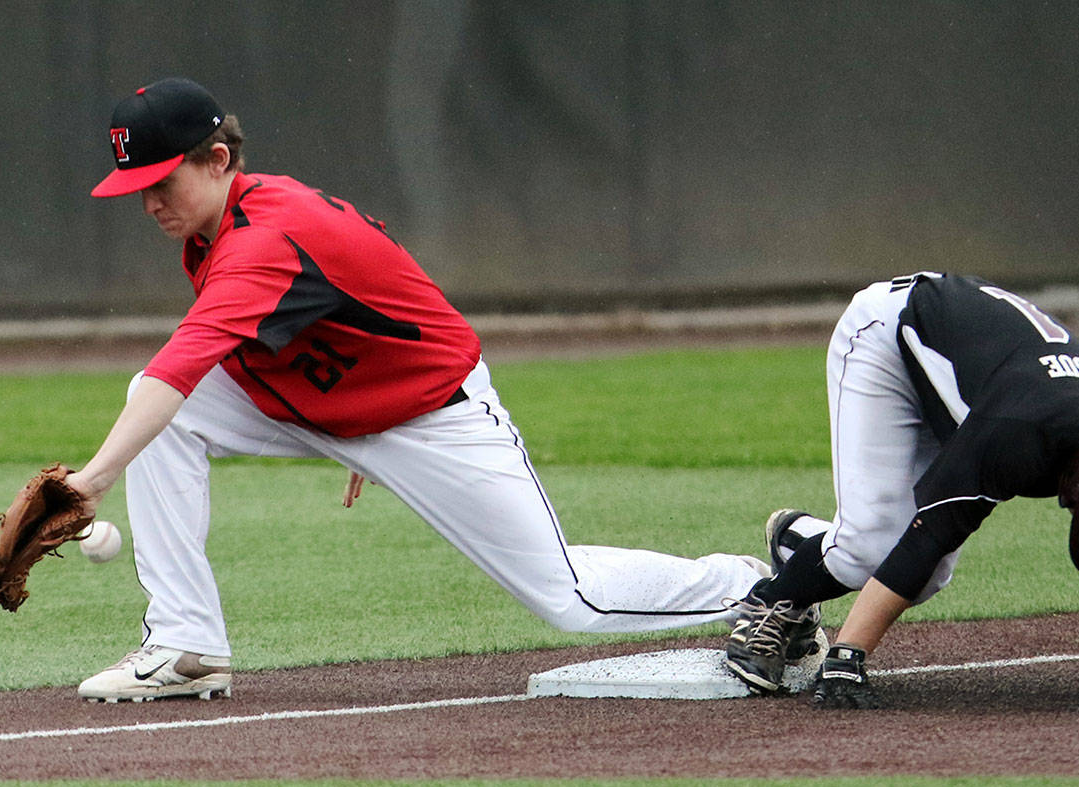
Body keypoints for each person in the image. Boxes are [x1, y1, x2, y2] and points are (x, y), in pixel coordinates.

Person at [69, 77, 769, 702]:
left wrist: (93, 480)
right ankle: (186, 646)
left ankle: (765, 587)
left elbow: (183, 363)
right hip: (353, 407)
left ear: (217, 159)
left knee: (572, 598)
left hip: (435, 421)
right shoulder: (218, 224)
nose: (150, 201)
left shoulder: (267, 235)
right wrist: (336, 420)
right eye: (138, 187)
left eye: (163, 181)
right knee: (166, 414)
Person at [725, 271, 1079, 706]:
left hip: (977, 373)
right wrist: (848, 658)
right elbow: (932, 533)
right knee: (872, 549)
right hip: (888, 335)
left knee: (923, 576)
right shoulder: (1017, 436)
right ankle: (773, 600)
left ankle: (801, 539)